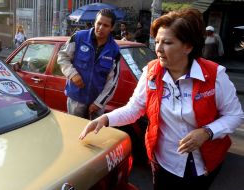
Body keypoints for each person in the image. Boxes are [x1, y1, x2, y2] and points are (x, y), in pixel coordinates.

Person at [79, 8, 244, 190]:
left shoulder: (215, 75)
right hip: (163, 162)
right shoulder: (151, 71)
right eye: (157, 41)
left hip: (202, 165)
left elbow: (235, 115)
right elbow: (134, 108)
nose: (158, 48)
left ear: (187, 47)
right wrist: (105, 119)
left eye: (167, 42)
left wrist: (207, 132)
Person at [57, 8, 120, 120]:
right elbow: (62, 57)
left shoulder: (114, 50)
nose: (100, 28)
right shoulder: (78, 37)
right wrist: (72, 74)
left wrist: (98, 103)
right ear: (94, 22)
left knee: (94, 135)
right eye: (99, 23)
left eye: (105, 25)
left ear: (112, 28)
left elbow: (112, 81)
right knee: (74, 131)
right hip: (76, 99)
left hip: (97, 103)